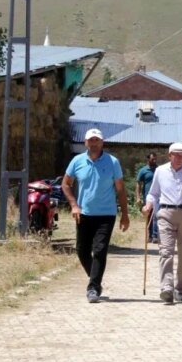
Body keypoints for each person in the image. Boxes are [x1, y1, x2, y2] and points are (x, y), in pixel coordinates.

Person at [62, 128, 130, 303]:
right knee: (82, 250)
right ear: (85, 143)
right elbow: (66, 184)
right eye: (90, 140)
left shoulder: (112, 162)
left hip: (106, 214)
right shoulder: (77, 161)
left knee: (99, 250)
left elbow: (120, 189)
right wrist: (74, 205)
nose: (94, 143)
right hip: (83, 213)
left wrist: (125, 214)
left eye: (97, 140)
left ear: (102, 142)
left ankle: (93, 288)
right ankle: (96, 280)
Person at [141, 143, 182, 304]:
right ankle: (167, 288)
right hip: (166, 213)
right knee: (166, 251)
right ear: (169, 155)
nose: (179, 158)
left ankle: (179, 288)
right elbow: (153, 193)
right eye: (176, 155)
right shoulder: (160, 170)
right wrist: (148, 205)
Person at [135, 152, 159, 243]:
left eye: (155, 159)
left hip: (158, 196)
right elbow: (138, 184)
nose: (154, 160)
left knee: (156, 215)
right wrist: (138, 197)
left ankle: (155, 235)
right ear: (148, 159)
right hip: (147, 196)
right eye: (153, 159)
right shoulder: (143, 171)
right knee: (149, 215)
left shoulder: (159, 169)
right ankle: (150, 235)